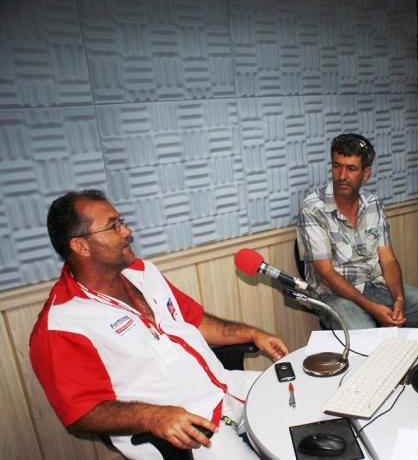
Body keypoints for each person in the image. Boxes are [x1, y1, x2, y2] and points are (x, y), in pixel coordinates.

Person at [30, 190, 288, 459]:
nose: (127, 231)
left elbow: (193, 320)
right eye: (114, 226)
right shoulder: (62, 323)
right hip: (187, 427)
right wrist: (153, 416)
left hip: (227, 389)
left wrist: (253, 333)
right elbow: (82, 412)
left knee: (306, 399)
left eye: (122, 221)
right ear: (80, 246)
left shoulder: (143, 272)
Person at [297, 133, 418, 329]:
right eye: (336, 166)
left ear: (366, 173)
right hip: (333, 294)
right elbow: (326, 274)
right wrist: (374, 309)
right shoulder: (313, 208)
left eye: (351, 169)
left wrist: (399, 299)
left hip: (375, 285)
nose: (341, 176)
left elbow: (388, 259)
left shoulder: (373, 203)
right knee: (364, 334)